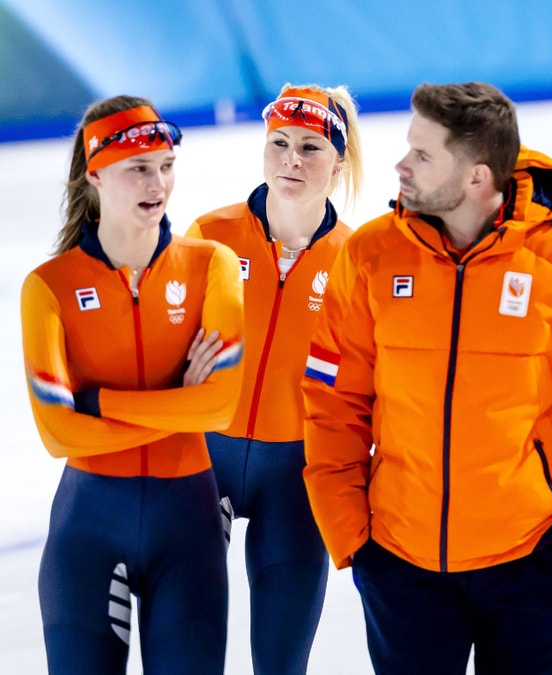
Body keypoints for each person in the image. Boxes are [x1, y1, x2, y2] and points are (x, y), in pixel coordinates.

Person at [301, 81, 552, 674]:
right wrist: (353, 540)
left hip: (536, 563)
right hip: (400, 563)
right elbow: (332, 402)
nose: (401, 165)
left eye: (423, 155)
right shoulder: (370, 255)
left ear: (476, 176)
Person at [21, 96, 245, 674]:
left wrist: (100, 403)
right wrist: (180, 405)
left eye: (166, 166)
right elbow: (59, 434)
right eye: (138, 168)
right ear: (95, 175)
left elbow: (221, 407)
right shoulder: (48, 287)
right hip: (87, 533)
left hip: (188, 532)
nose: (157, 183)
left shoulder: (212, 267)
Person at [185, 83, 361, 674]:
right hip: (203, 458)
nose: (291, 159)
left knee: (282, 663)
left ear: (338, 163)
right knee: (183, 653)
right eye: (279, 143)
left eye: (310, 148)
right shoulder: (210, 235)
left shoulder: (355, 260)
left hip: (296, 475)